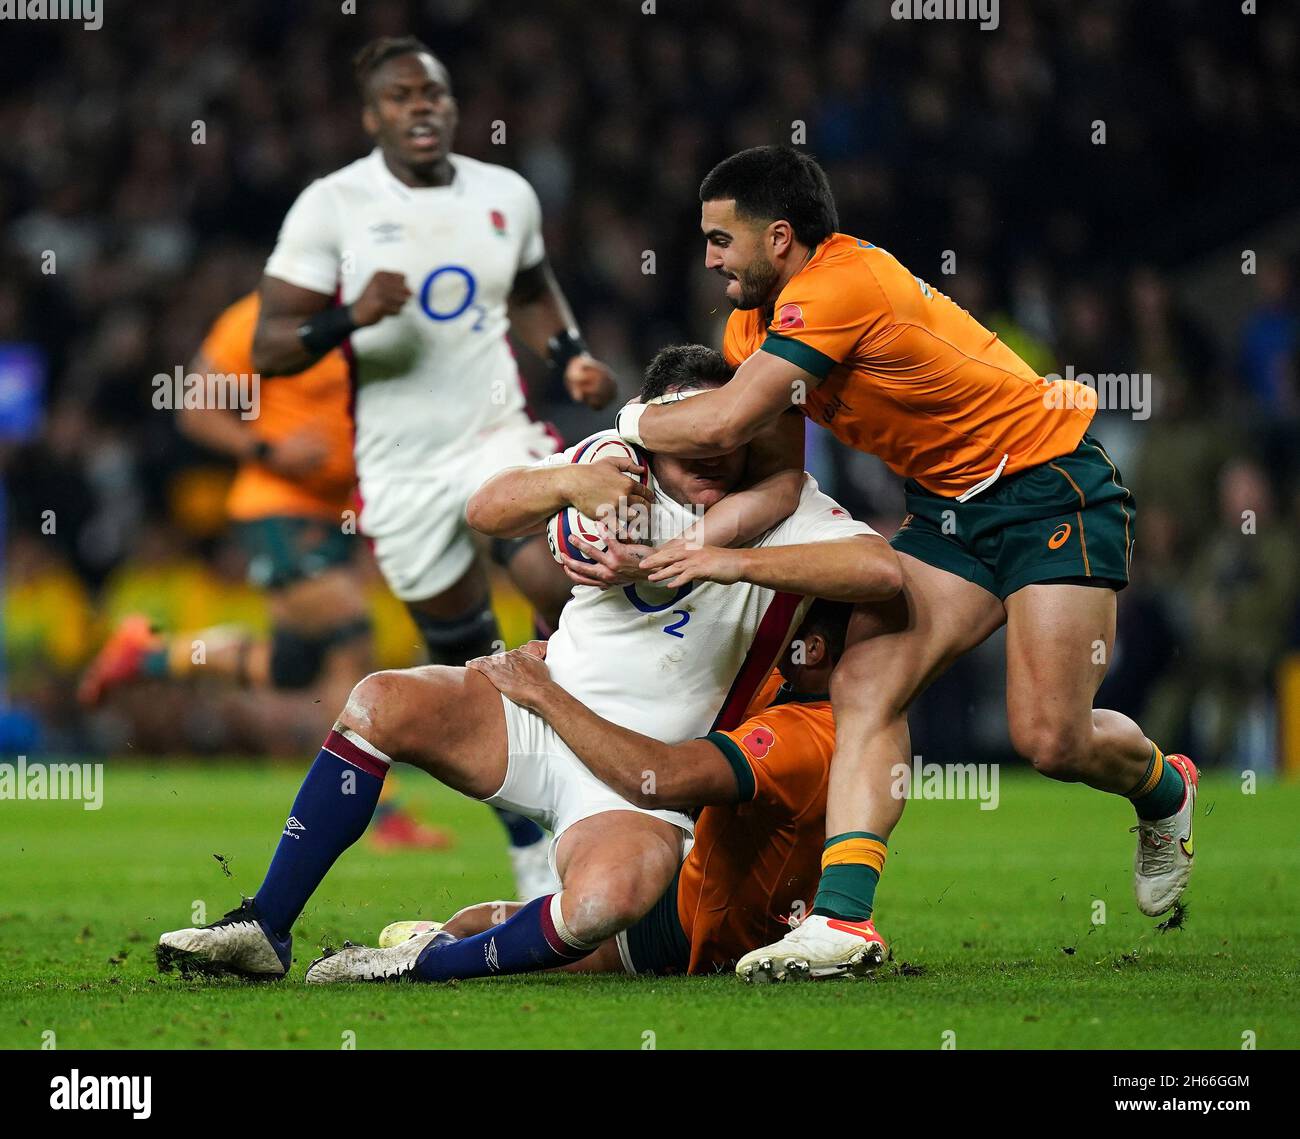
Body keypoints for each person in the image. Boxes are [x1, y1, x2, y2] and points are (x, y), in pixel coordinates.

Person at [616, 146, 1197, 981]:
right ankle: (846, 921)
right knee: (863, 683)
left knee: (1050, 737)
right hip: (950, 512)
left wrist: (631, 420)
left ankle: (1164, 789)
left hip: (1050, 485)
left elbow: (720, 422)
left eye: (720, 239)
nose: (707, 258)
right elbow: (772, 466)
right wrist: (704, 538)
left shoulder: (842, 285)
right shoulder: (750, 326)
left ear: (779, 237)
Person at [154, 345, 900, 982]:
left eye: (722, 435)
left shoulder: (792, 512)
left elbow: (882, 571)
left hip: (637, 785)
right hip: (529, 709)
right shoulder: (616, 467)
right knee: (379, 700)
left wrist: (728, 562)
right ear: (655, 425)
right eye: (688, 437)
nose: (707, 453)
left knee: (605, 905)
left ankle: (420, 963)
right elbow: (486, 507)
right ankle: (265, 926)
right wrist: (567, 482)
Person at [250, 35, 621, 891]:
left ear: (453, 107)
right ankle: (528, 833)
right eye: (402, 96)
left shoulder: (505, 193)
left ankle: (599, 796)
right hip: (401, 469)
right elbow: (268, 348)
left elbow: (528, 286)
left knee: (560, 584)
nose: (422, 106)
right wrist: (349, 316)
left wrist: (567, 354)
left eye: (436, 93)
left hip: (497, 435)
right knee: (469, 654)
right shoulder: (331, 206)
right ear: (372, 114)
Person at [78, 290, 444, 850]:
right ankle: (384, 814)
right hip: (275, 507)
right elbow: (196, 408)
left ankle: (146, 654)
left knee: (292, 667)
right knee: (352, 635)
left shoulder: (371, 316)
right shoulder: (258, 317)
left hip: (332, 513)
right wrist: (270, 451)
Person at [371, 598, 858, 980]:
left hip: (700, 933)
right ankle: (435, 939)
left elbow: (658, 778)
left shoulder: (802, 735)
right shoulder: (809, 698)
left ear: (811, 649)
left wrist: (545, 692)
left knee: (576, 926)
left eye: (788, 623)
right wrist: (569, 658)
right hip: (694, 879)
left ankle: (424, 964)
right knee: (494, 917)